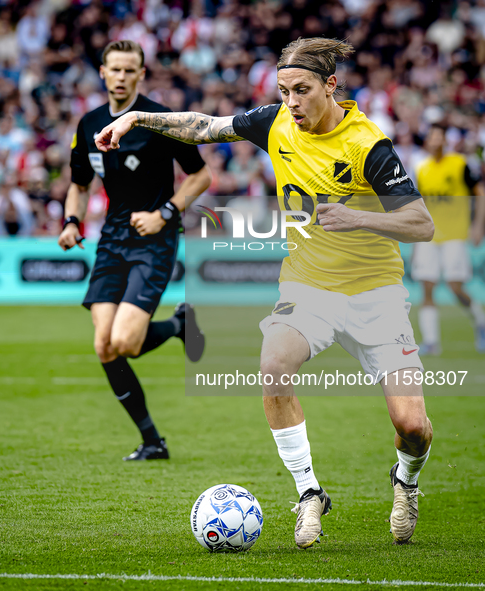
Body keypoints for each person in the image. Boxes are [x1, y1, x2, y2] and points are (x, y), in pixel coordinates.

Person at [95, 37, 435, 547]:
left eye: (302, 91)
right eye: (283, 91)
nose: (291, 102)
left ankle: (405, 481)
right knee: (273, 366)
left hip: (375, 293)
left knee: (413, 426)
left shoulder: (368, 144)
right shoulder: (275, 120)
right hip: (308, 284)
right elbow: (205, 127)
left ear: (331, 86)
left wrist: (359, 217)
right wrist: (138, 119)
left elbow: (422, 222)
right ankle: (308, 493)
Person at [58, 40, 211, 462]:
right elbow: (79, 184)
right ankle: (152, 441)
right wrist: (72, 221)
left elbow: (201, 176)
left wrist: (165, 212)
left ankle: (179, 325)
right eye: (115, 70)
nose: (122, 77)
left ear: (141, 74)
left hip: (156, 239)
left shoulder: (159, 120)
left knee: (124, 340)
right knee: (104, 346)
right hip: (111, 240)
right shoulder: (88, 123)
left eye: (130, 70)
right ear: (103, 73)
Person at [412, 124, 485, 354]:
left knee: (456, 287)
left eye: (439, 137)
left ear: (446, 140)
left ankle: (481, 324)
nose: (435, 141)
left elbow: (480, 194)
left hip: (454, 235)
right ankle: (431, 343)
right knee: (427, 287)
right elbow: (419, 203)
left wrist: (478, 225)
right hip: (429, 237)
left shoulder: (460, 164)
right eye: (431, 137)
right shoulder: (421, 168)